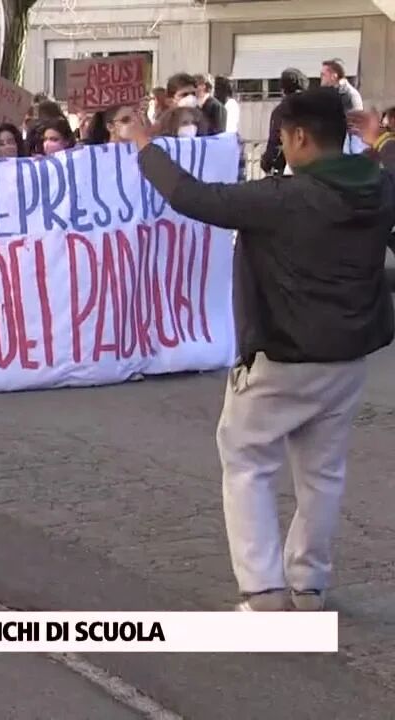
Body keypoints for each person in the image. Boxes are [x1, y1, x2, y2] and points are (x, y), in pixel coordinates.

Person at [126, 88, 395, 612]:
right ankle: (309, 586)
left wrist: (144, 144)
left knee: (247, 461)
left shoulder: (282, 198)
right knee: (323, 473)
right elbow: (387, 165)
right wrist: (381, 138)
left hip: (283, 355)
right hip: (348, 357)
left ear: (296, 137)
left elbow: (192, 196)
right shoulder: (380, 188)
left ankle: (264, 591)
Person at [261, 68, 309, 176]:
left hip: (289, 168)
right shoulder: (316, 108)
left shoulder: (280, 111)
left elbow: (274, 143)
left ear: (283, 89)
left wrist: (266, 162)